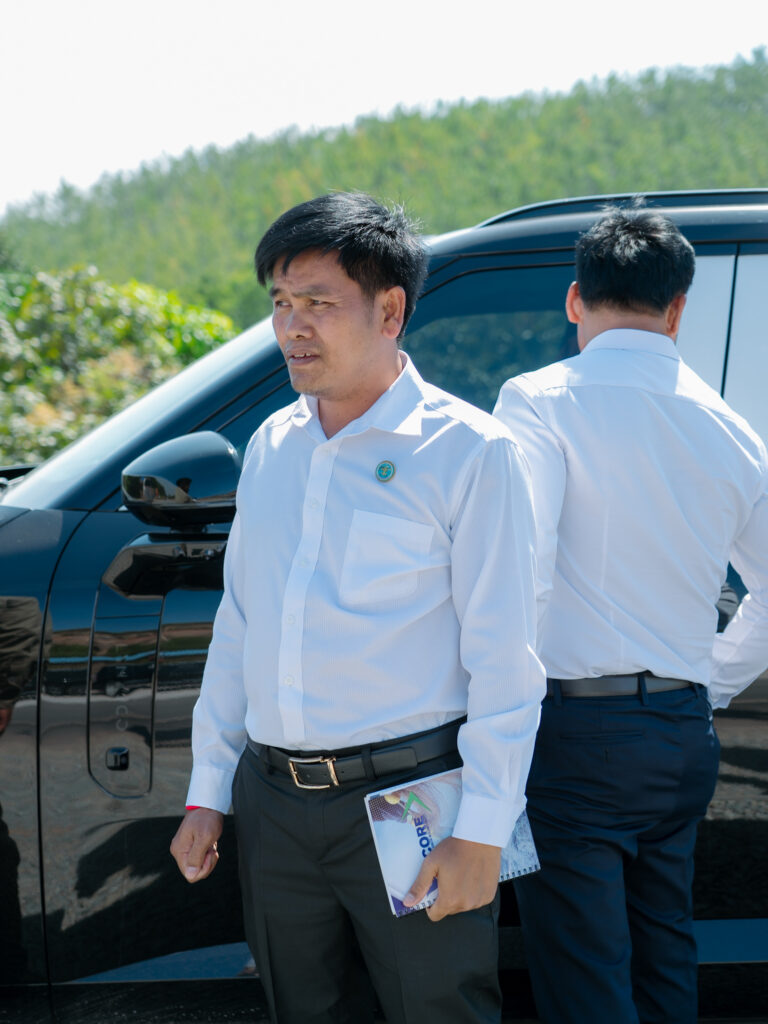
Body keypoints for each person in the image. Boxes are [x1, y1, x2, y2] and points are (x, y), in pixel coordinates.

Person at [170, 192, 545, 1024]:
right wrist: (209, 791)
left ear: (391, 310)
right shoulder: (272, 446)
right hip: (275, 804)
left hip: (412, 800)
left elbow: (506, 661)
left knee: (437, 1010)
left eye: (318, 303)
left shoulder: (470, 452)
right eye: (280, 303)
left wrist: (484, 830)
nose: (292, 327)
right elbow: (241, 625)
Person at [493, 201, 768, 1024]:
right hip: (682, 735)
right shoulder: (731, 428)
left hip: (576, 733)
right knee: (663, 955)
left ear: (575, 300)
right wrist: (706, 684)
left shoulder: (539, 399)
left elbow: (523, 569)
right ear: (678, 311)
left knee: (586, 975)